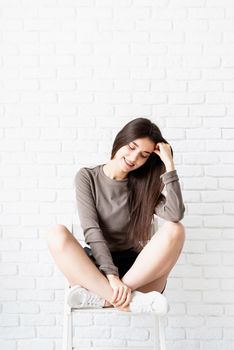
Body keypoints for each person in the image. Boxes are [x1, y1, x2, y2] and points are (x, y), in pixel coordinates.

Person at [46, 117, 185, 314]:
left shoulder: (143, 187)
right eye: (131, 147)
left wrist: (169, 165)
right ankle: (130, 303)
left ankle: (108, 299)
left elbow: (175, 214)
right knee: (56, 233)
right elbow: (92, 230)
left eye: (144, 155)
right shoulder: (87, 177)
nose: (134, 158)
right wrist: (111, 276)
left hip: (135, 273)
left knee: (175, 229)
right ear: (121, 139)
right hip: (97, 271)